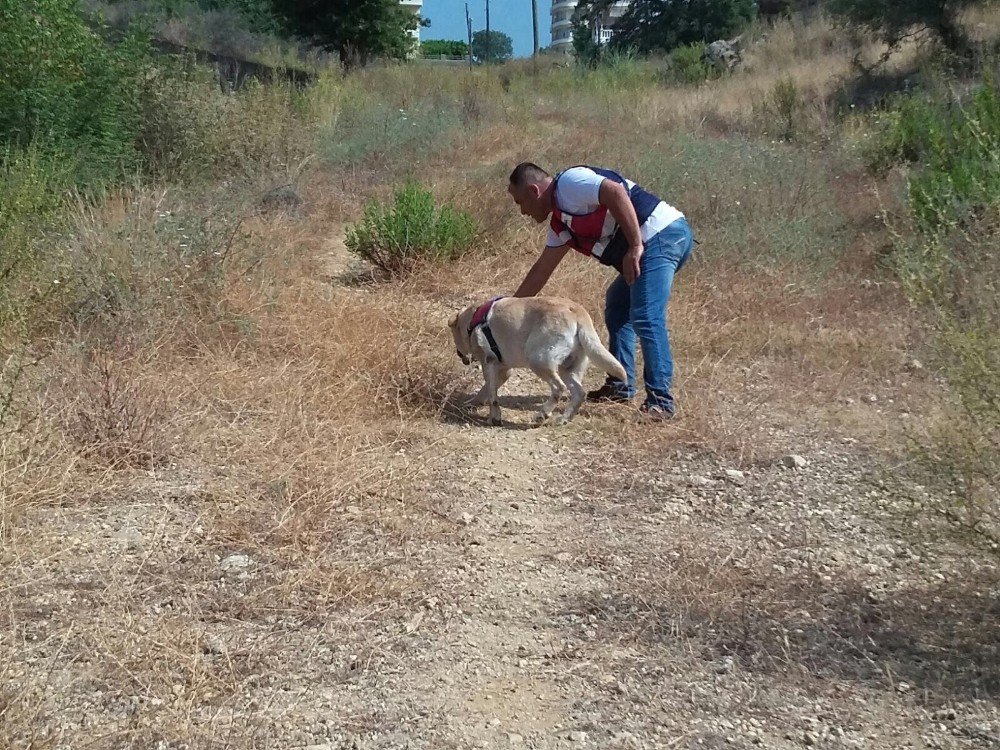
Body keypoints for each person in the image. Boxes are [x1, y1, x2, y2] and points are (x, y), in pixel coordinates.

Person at [507, 162, 694, 419]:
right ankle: (620, 387)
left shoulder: (570, 183)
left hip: (661, 234)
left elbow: (615, 192)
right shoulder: (560, 225)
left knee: (646, 315)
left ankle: (660, 402)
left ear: (534, 191)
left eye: (520, 202)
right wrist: (503, 310)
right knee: (618, 307)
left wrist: (635, 246)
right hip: (656, 240)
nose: (522, 211)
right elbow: (541, 270)